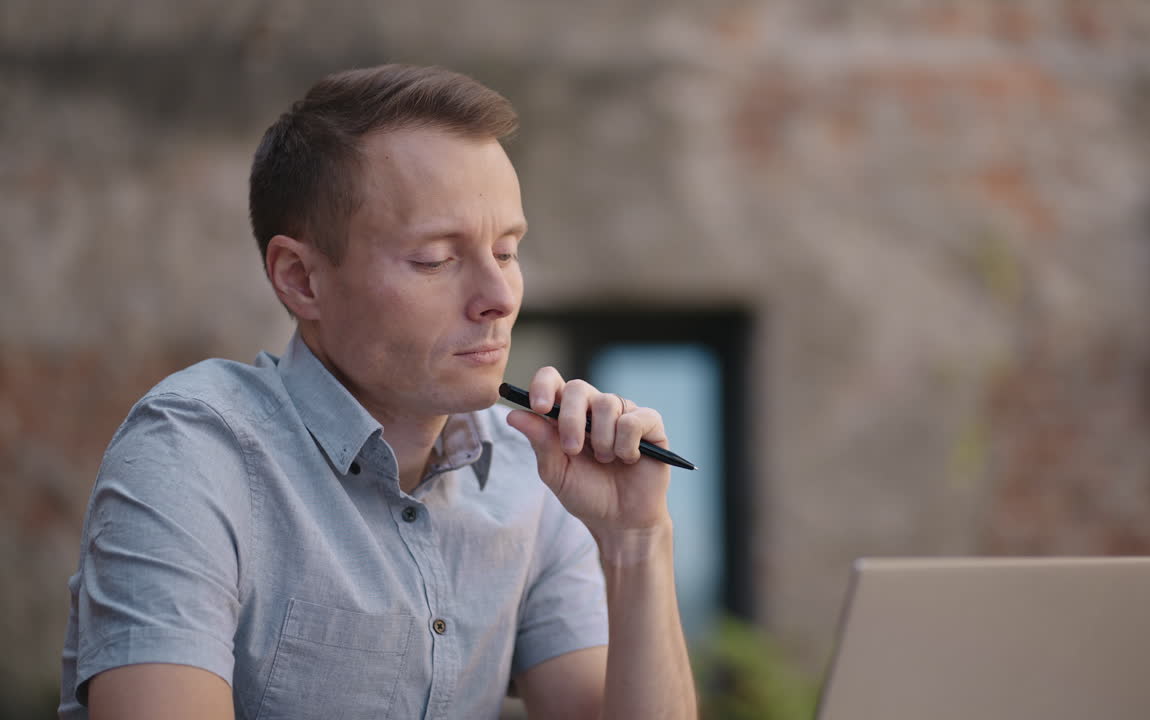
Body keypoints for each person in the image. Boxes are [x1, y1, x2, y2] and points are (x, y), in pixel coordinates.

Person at [58, 64, 697, 719]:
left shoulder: (532, 479)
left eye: (506, 252)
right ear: (301, 279)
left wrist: (636, 538)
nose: (500, 298)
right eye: (435, 259)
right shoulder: (193, 458)